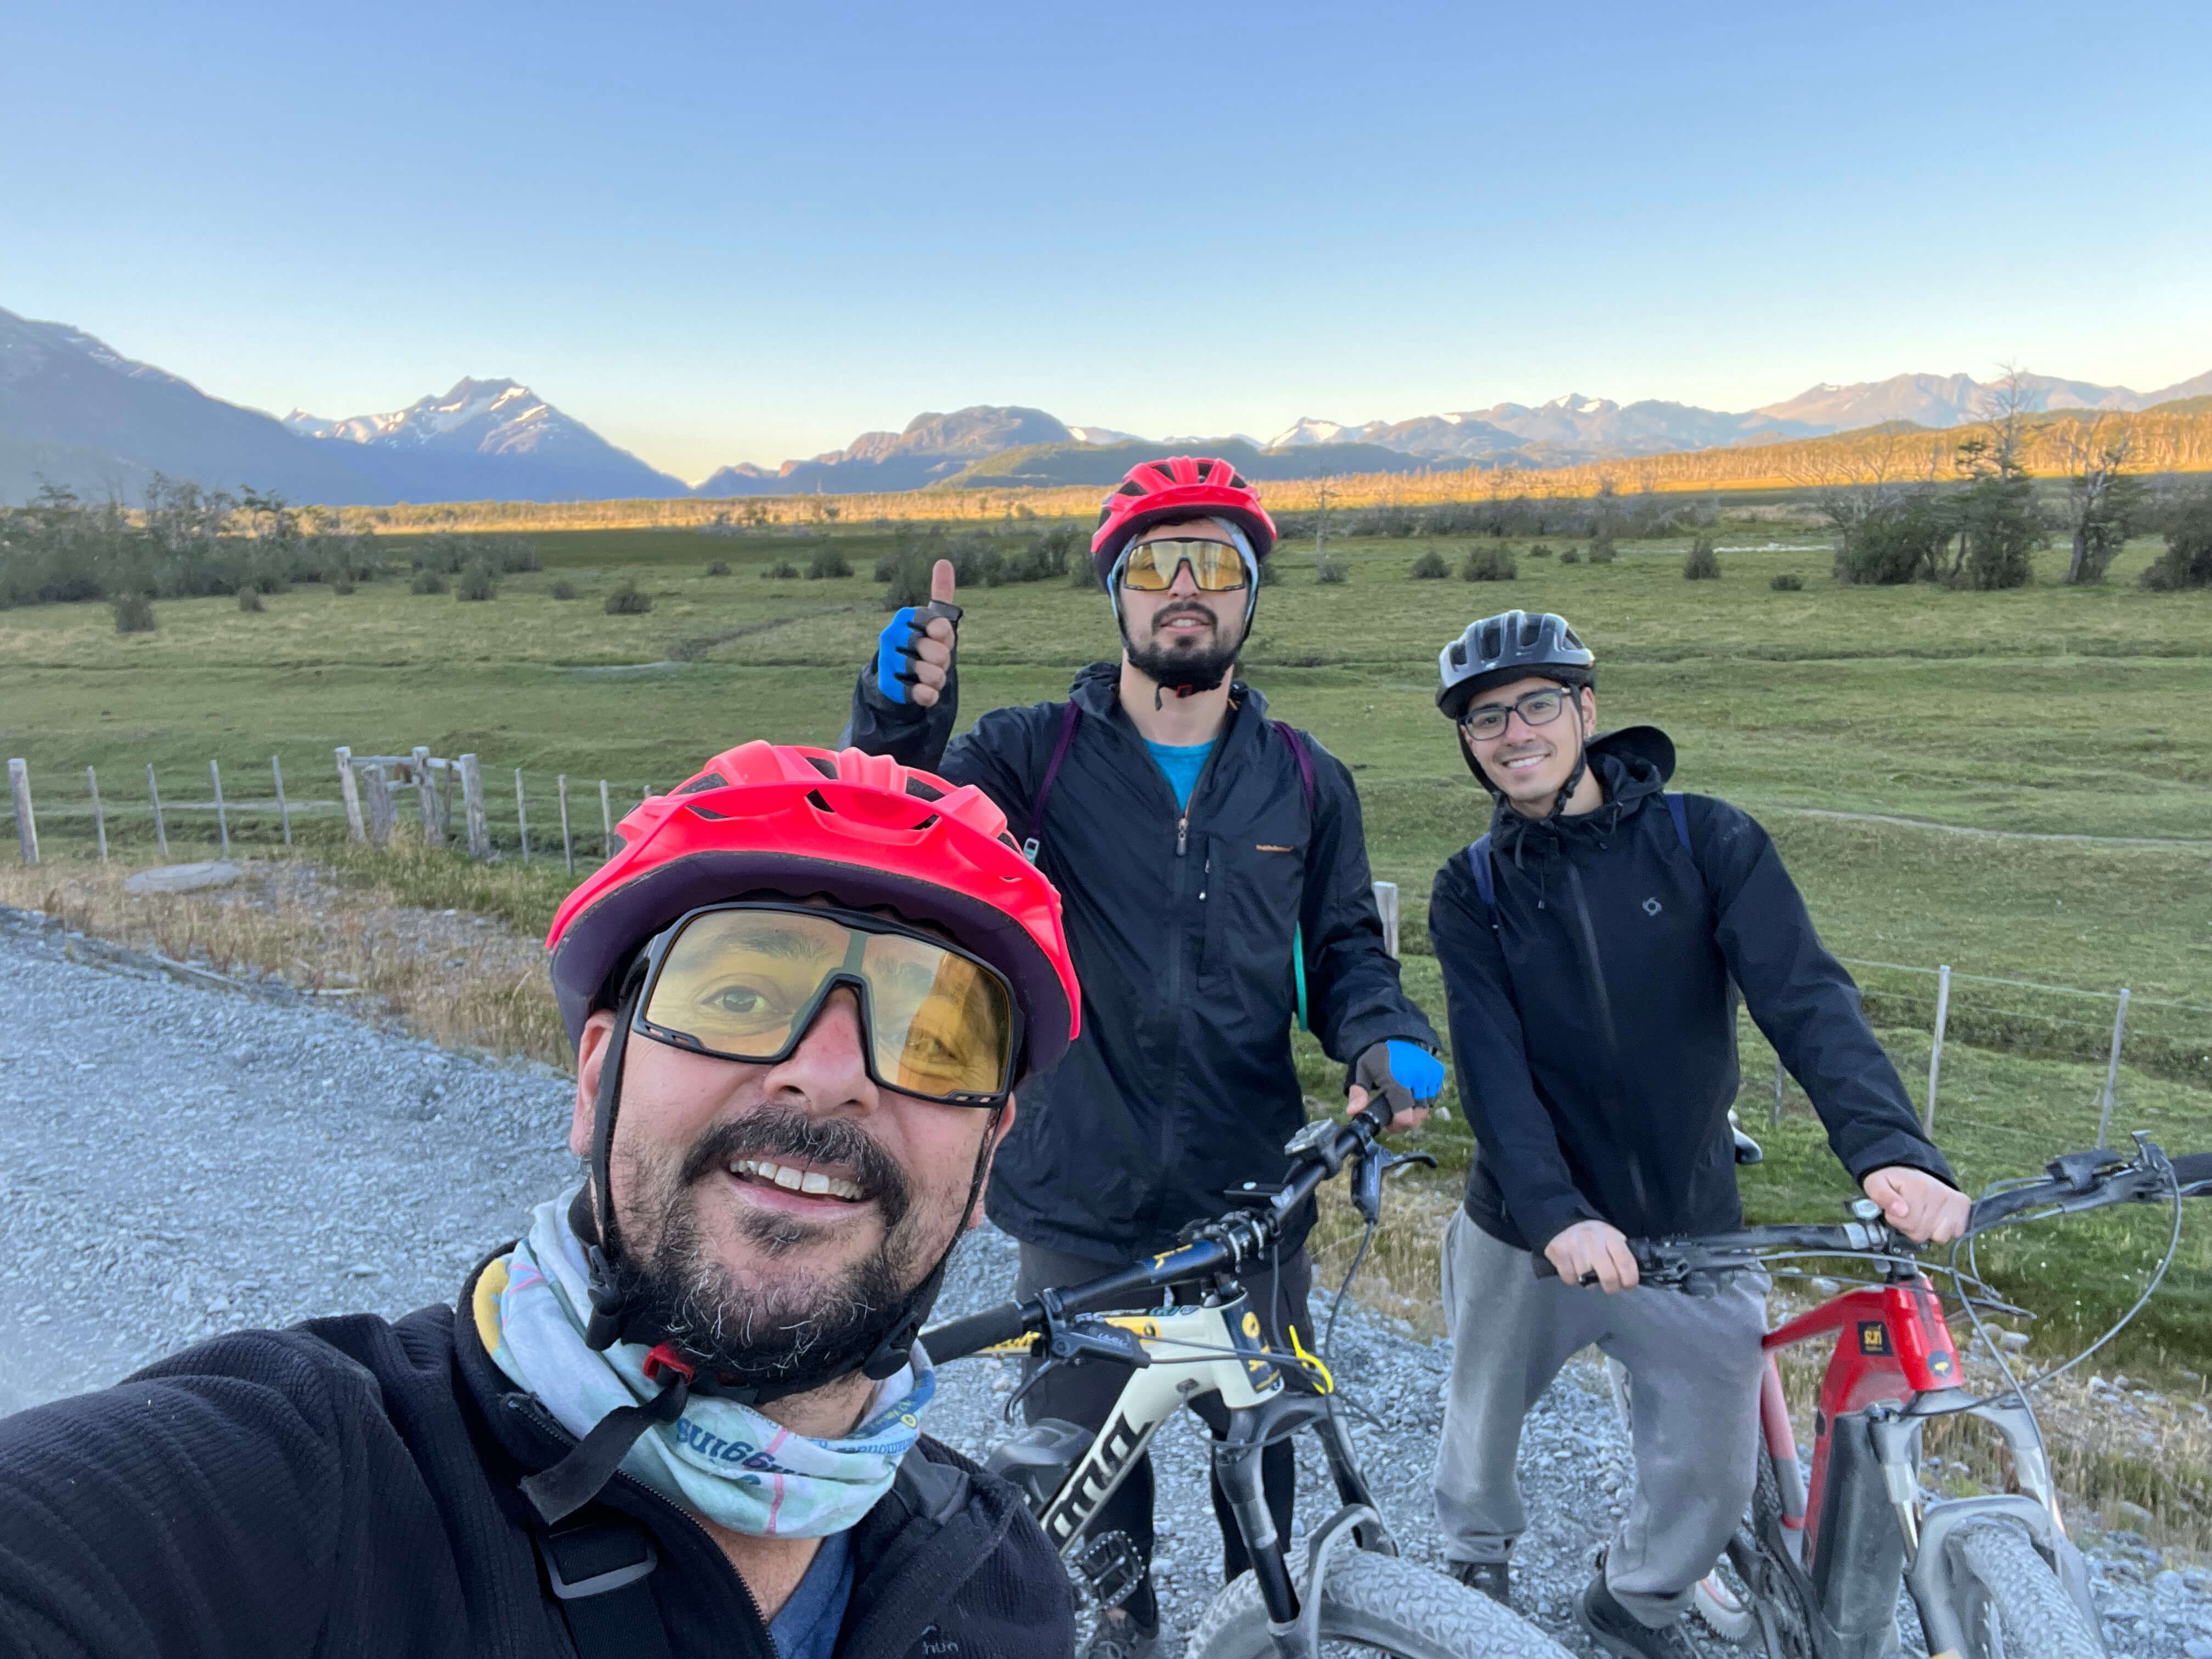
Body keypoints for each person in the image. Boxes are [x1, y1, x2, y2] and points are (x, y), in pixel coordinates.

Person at [0, 740, 1084, 1659]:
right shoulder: (310, 1489)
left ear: (985, 1162)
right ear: (594, 1081)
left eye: (935, 1036)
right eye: (739, 992)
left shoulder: (1003, 1589)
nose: (830, 1072)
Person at [844, 456, 1443, 1657]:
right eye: (1156, 563)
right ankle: (1122, 1631)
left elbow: (1341, 950)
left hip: (1252, 1198)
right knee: (1082, 1489)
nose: (1185, 587)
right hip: (1079, 1192)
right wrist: (902, 718)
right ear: (1116, 591)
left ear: (1249, 596)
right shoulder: (1032, 755)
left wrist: (1383, 1033)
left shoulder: (1307, 779)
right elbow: (905, 830)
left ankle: (1259, 1633)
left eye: (1215, 564)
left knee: (1258, 1470)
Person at [1421, 610, 1971, 1659]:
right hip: (1526, 1227)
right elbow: (1492, 1070)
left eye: (1537, 703)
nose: (1514, 732)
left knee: (1713, 1478)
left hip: (1689, 1216)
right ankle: (1474, 1567)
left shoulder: (1704, 840)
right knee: (1480, 1427)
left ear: (1587, 710)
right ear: (1469, 743)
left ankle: (1632, 1604)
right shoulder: (1472, 888)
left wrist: (1891, 1150)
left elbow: (1806, 998)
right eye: (1487, 718)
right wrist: (1555, 1216)